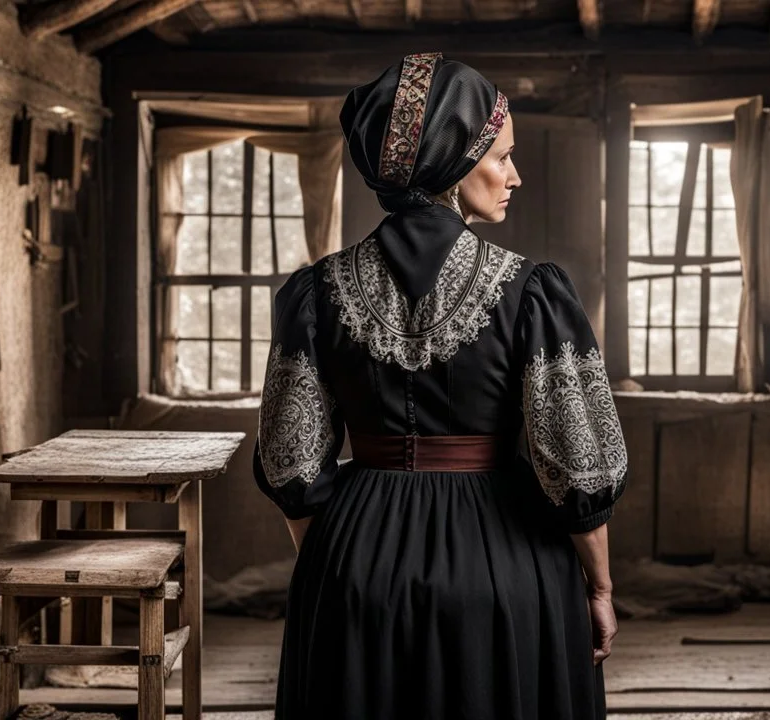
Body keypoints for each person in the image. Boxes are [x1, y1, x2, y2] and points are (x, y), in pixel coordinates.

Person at [252, 52, 628, 719]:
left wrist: (342, 567)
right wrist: (599, 586)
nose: (515, 174)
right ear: (454, 162)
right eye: (502, 156)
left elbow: (291, 463)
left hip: (352, 555)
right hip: (507, 563)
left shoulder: (313, 293)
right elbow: (578, 466)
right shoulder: (533, 292)